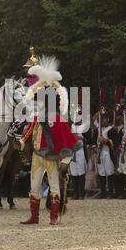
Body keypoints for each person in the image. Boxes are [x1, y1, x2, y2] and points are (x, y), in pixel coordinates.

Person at [18, 56, 80, 225]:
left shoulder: (58, 120)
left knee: (54, 187)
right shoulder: (38, 117)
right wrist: (21, 142)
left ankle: (54, 216)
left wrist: (66, 160)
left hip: (51, 157)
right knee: (34, 187)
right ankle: (34, 216)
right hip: (37, 156)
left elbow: (70, 142)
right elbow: (29, 132)